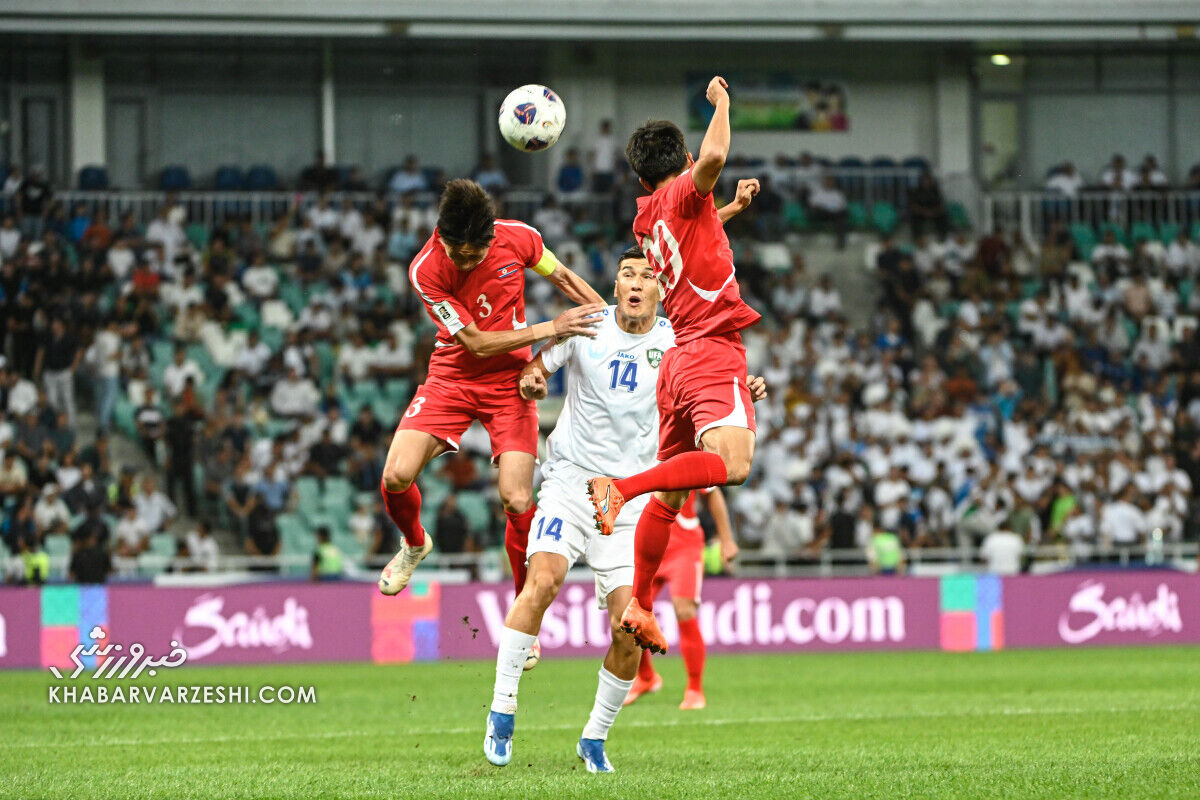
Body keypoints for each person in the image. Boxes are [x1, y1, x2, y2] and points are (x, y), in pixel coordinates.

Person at [483, 245, 766, 772]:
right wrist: (533, 379)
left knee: (629, 626)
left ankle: (594, 738)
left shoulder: (678, 341)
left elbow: (711, 385)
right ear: (615, 286)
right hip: (570, 484)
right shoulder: (587, 327)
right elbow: (535, 371)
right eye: (626, 274)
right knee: (540, 582)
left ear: (661, 291)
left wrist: (741, 391)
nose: (636, 282)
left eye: (646, 276)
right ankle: (502, 711)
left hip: (631, 498)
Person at [586, 75, 765, 655]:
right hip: (711, 348)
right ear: (683, 161)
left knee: (671, 499)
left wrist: (729, 208)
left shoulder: (645, 219)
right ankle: (620, 488)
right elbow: (714, 155)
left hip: (677, 362)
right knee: (731, 467)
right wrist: (722, 104)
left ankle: (639, 602)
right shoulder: (688, 190)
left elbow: (687, 237)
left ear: (640, 178)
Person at [376, 179, 606, 598]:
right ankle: (413, 543)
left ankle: (524, 607)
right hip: (452, 379)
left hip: (509, 384)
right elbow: (476, 342)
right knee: (395, 475)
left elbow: (567, 281)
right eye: (456, 251)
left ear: (491, 236)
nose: (464, 260)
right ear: (440, 235)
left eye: (474, 253)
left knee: (517, 499)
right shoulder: (425, 269)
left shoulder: (520, 238)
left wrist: (615, 332)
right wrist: (550, 327)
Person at [625, 486, 736, 711]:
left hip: (684, 546)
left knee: (684, 609)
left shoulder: (684, 451)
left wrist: (726, 540)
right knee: (629, 613)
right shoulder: (632, 452)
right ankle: (646, 677)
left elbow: (713, 492)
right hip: (648, 544)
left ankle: (695, 688)